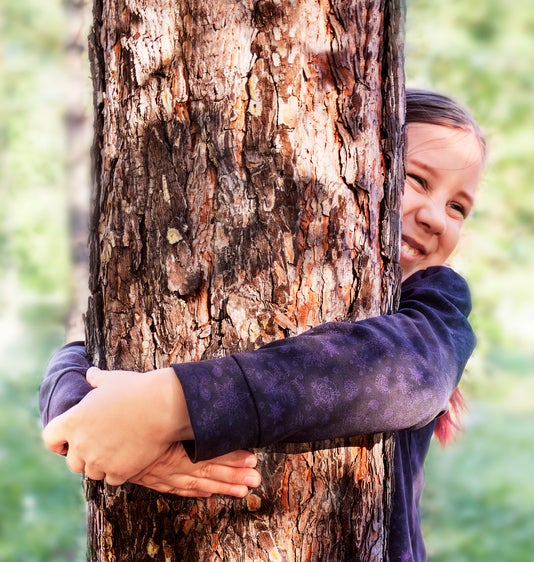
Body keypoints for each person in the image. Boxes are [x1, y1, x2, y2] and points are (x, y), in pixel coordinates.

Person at [39, 88, 485, 562]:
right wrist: (90, 418)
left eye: (458, 207)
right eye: (417, 180)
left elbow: (411, 375)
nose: (438, 217)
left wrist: (167, 405)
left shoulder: (437, 301)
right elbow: (78, 354)